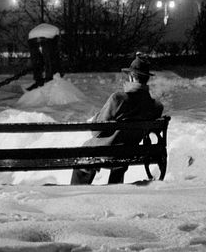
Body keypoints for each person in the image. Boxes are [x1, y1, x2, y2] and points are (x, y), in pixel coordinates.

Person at [70, 54, 164, 185]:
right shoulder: (156, 106)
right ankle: (115, 186)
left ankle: (77, 189)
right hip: (130, 153)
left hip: (109, 153)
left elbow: (96, 131)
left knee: (85, 153)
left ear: (131, 76)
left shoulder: (118, 99)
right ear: (146, 79)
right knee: (121, 146)